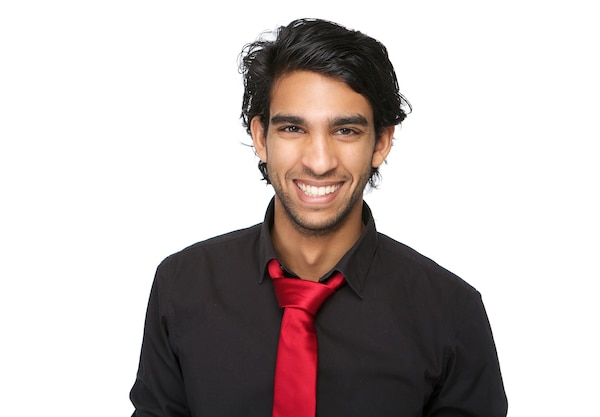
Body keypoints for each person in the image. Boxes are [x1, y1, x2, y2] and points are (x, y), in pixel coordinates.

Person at [129, 18, 507, 416]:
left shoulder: (450, 312)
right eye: (293, 128)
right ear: (261, 138)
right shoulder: (182, 286)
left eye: (345, 131)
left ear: (381, 142)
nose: (320, 162)